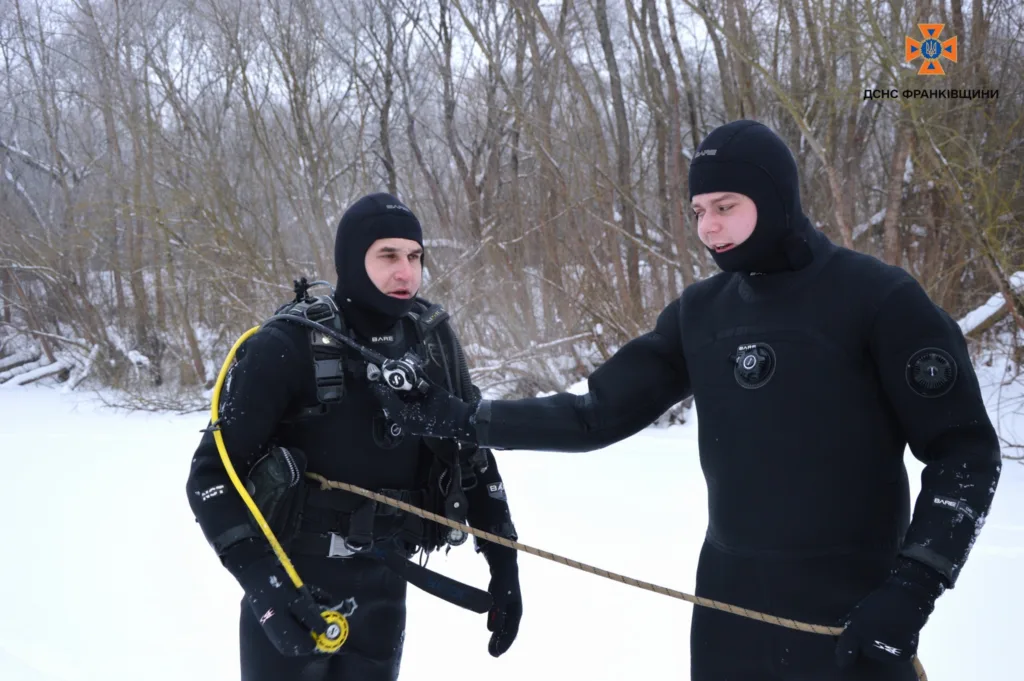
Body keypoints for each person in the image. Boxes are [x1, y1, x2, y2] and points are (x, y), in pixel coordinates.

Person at [370, 120, 1003, 680]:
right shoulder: (702, 314)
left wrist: (915, 585)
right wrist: (468, 419)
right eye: (698, 210)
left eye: (725, 205)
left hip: (852, 612)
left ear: (775, 197)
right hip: (729, 614)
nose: (709, 228)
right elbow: (595, 413)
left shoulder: (879, 300)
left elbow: (965, 454)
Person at [186, 193, 522, 681]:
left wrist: (504, 565)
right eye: (388, 255)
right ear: (351, 260)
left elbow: (474, 460)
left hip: (386, 591)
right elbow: (210, 480)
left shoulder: (433, 344)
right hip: (293, 590)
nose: (405, 272)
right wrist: (266, 588)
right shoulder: (284, 346)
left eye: (415, 256)